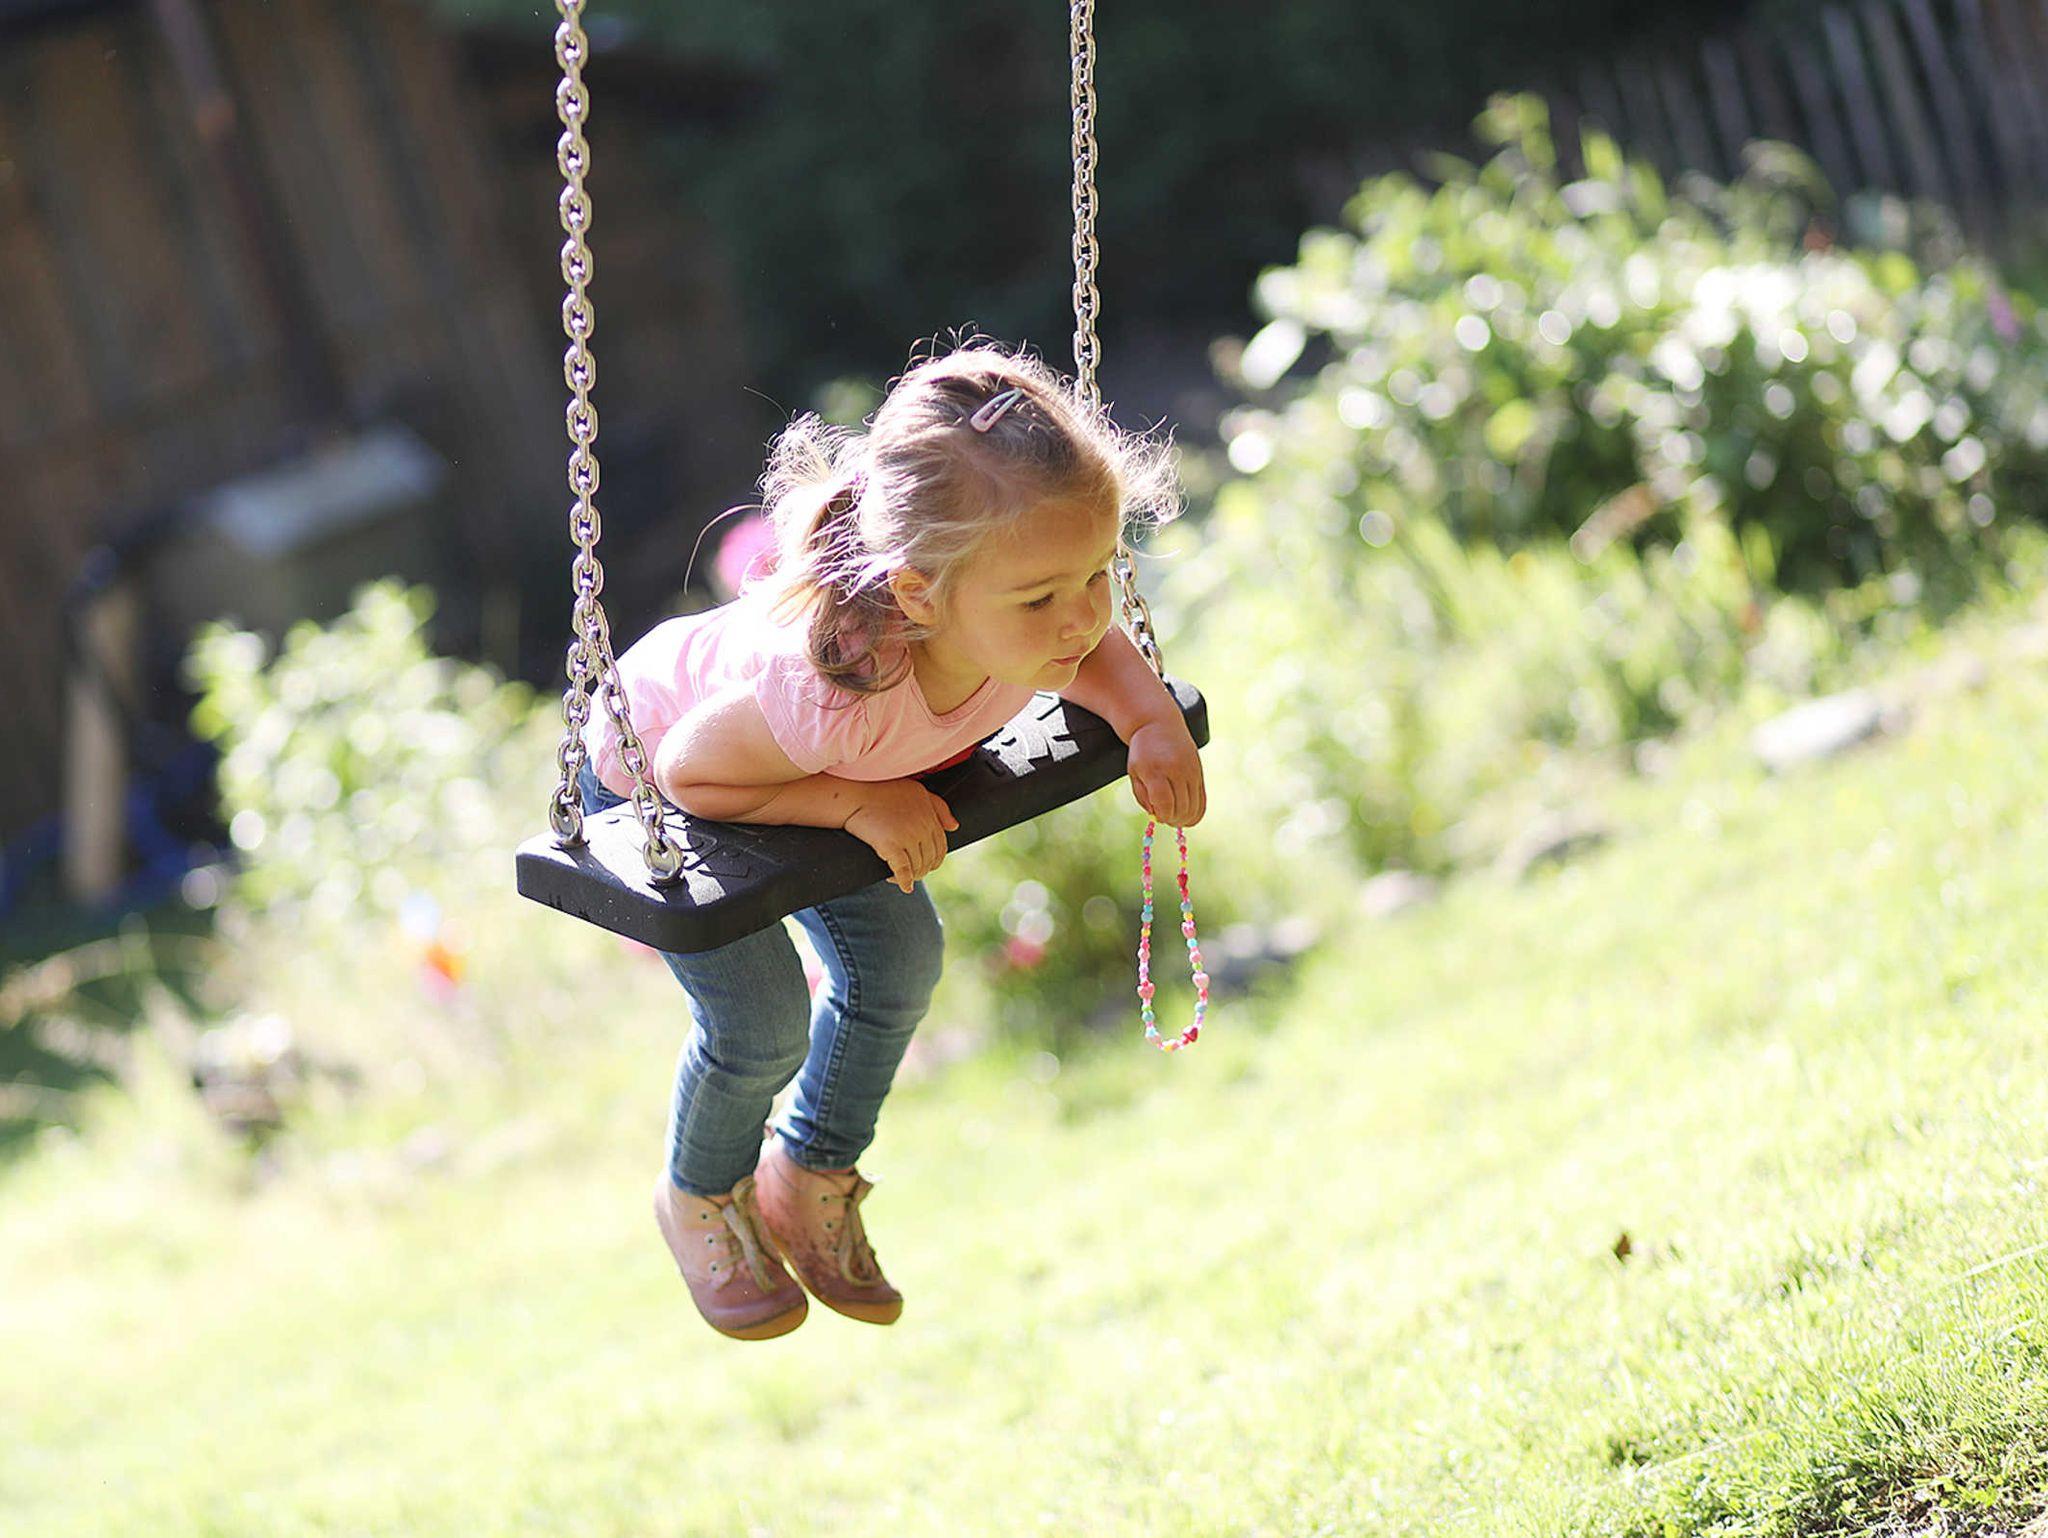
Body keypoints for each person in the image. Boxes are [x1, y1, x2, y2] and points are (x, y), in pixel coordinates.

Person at [579, 340, 1208, 1340]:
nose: (1081, 616)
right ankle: (698, 1193)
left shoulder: (1016, 618)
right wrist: (855, 806)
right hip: (662, 775)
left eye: (1096, 575)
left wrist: (1150, 722)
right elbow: (689, 772)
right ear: (918, 597)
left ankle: (808, 1171)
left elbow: (1097, 654)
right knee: (762, 1021)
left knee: (901, 960)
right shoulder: (838, 685)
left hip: (812, 773)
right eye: (1042, 597)